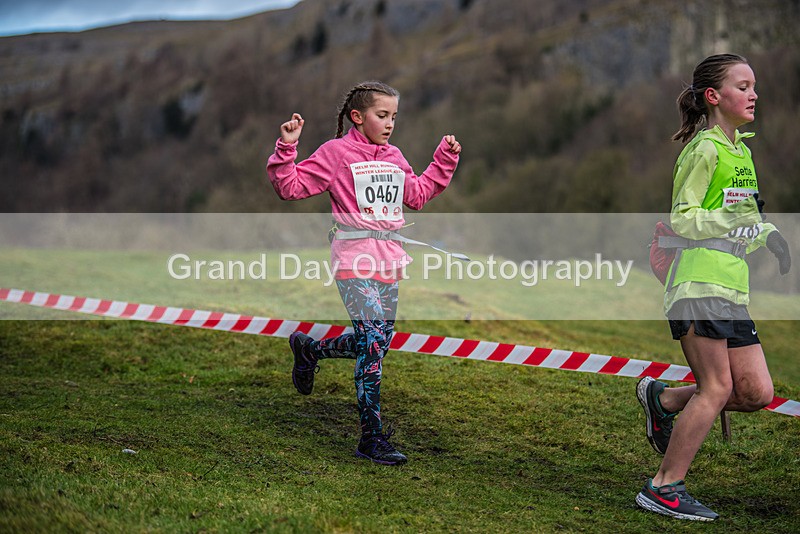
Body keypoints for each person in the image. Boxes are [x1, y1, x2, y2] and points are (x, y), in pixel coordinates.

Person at [266, 80, 461, 465]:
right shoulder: (336, 154)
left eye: (394, 117)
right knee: (372, 343)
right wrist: (286, 147)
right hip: (353, 260)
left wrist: (444, 160)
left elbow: (417, 195)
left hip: (389, 260)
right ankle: (371, 438)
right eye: (382, 115)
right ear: (358, 117)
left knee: (377, 343)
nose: (390, 124)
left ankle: (311, 350)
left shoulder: (394, 156)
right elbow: (289, 187)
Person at [635, 54, 791, 521]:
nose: (753, 94)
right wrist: (733, 219)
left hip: (733, 289)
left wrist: (770, 235)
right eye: (743, 86)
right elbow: (686, 217)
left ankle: (662, 400)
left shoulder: (741, 151)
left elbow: (746, 214)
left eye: (754, 86)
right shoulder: (704, 149)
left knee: (755, 392)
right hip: (698, 281)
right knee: (717, 387)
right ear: (714, 96)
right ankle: (663, 487)